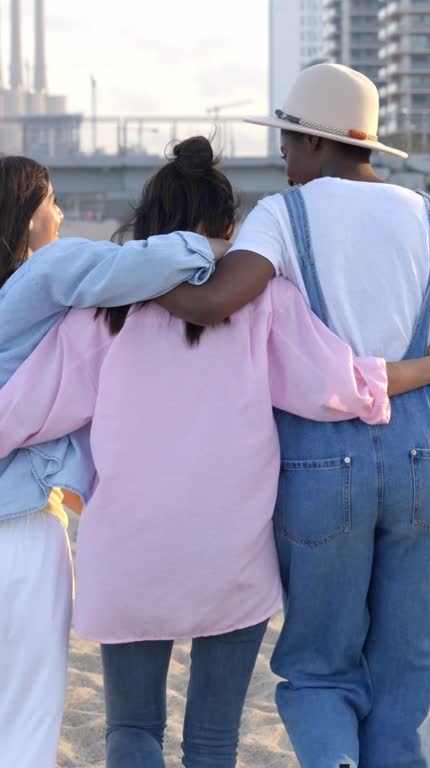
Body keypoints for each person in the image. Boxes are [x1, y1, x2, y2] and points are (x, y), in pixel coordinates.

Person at [0, 136, 430, 768]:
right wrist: (424, 368)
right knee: (211, 740)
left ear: (146, 229)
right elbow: (342, 383)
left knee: (133, 732)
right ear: (231, 228)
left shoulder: (102, 317)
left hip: (129, 553)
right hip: (231, 555)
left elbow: (23, 411)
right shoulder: (265, 302)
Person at [156, 66, 430, 768]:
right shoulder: (421, 211)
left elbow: (217, 302)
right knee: (406, 661)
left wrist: (147, 279)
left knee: (318, 662)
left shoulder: (287, 212)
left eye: (286, 143)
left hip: (321, 462)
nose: (282, 158)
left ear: (313, 143)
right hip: (418, 457)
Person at [0, 154, 226, 768]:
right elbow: (142, 263)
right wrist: (214, 243)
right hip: (18, 528)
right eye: (50, 201)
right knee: (23, 721)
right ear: (22, 215)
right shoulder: (50, 268)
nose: (62, 213)